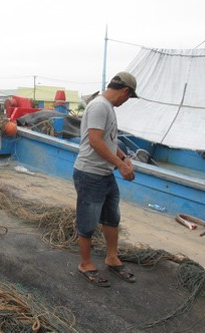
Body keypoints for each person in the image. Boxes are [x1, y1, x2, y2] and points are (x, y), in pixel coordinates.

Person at [73, 71, 138, 287]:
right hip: (90, 174)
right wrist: (120, 165)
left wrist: (123, 158)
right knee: (88, 222)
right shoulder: (100, 106)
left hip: (105, 174)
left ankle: (112, 257)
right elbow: (95, 141)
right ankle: (85, 263)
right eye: (129, 97)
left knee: (111, 218)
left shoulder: (107, 107)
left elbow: (109, 141)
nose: (126, 101)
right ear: (126, 91)